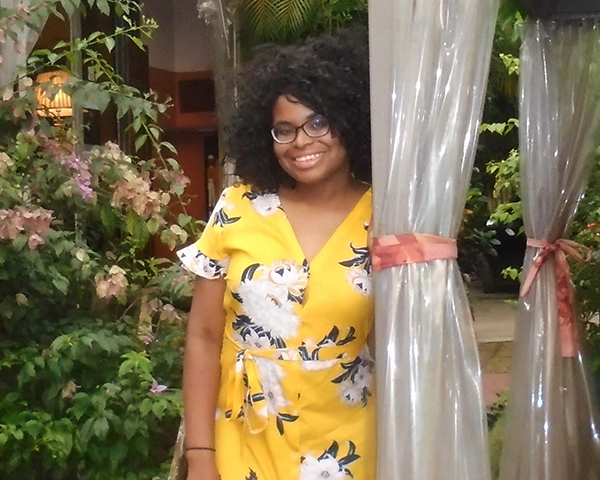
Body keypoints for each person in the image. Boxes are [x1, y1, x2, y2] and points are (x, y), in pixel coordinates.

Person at [177, 28, 374, 480]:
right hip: (243, 437)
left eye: (318, 122)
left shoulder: (383, 217)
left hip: (348, 445)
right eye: (284, 129)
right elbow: (205, 336)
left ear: (351, 120)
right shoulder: (237, 208)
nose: (301, 141)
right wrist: (200, 456)